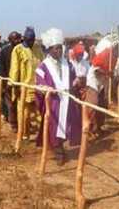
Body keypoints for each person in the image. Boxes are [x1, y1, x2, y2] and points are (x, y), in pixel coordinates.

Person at [35, 28, 82, 165]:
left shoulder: (67, 63)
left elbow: (72, 78)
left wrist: (75, 82)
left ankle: (60, 148)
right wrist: (46, 89)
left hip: (66, 101)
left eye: (60, 48)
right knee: (54, 127)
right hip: (54, 102)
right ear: (49, 49)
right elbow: (39, 82)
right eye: (56, 49)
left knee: (66, 125)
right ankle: (59, 152)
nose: (59, 51)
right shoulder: (43, 67)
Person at [10, 27, 44, 139]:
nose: (31, 42)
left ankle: (41, 134)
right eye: (29, 40)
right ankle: (24, 133)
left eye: (33, 40)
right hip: (24, 87)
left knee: (40, 112)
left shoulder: (38, 48)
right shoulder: (18, 50)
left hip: (38, 86)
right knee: (24, 113)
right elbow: (15, 69)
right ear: (24, 38)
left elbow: (43, 64)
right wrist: (14, 85)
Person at [0, 31, 22, 131]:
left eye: (18, 38)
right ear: (10, 40)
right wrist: (4, 83)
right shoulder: (4, 51)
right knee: (11, 104)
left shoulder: (23, 50)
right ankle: (14, 124)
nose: (17, 41)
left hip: (21, 81)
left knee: (19, 104)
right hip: (9, 81)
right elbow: (2, 68)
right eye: (15, 39)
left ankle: (21, 123)